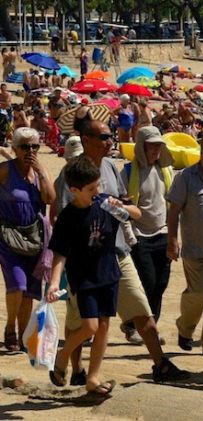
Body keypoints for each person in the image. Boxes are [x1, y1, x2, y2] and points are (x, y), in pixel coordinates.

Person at [60, 120, 189, 383]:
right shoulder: (71, 174)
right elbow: (64, 216)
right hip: (84, 263)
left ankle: (160, 363)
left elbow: (125, 203)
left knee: (141, 309)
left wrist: (121, 207)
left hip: (117, 252)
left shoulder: (109, 166)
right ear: (86, 139)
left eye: (110, 135)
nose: (110, 141)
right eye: (105, 136)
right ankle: (76, 369)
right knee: (80, 321)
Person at [47, 155, 141, 395]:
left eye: (98, 185)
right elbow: (59, 253)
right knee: (89, 326)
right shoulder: (68, 216)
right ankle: (63, 354)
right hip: (84, 277)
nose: (96, 191)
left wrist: (121, 206)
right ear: (74, 190)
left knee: (103, 327)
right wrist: (55, 282)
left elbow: (137, 214)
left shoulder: (104, 202)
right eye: (91, 189)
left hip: (109, 273)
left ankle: (93, 377)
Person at [167, 131, 203, 356]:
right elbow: (174, 211)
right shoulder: (186, 176)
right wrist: (172, 240)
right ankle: (185, 329)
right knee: (198, 293)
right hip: (195, 248)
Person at [0, 128, 55, 352]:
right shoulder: (5, 170)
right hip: (7, 235)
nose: (30, 151)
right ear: (14, 149)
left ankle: (23, 336)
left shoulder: (40, 172)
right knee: (17, 284)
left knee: (31, 290)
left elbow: (50, 198)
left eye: (34, 146)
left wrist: (40, 170)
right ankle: (10, 326)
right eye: (24, 146)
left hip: (35, 237)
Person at [120, 126, 174, 330]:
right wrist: (130, 236)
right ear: (142, 147)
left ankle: (150, 326)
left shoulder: (166, 171)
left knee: (161, 284)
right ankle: (136, 325)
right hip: (139, 236)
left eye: (159, 147)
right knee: (147, 283)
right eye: (152, 147)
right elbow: (122, 207)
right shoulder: (127, 172)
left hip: (163, 233)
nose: (156, 151)